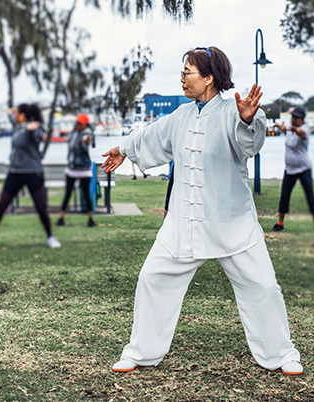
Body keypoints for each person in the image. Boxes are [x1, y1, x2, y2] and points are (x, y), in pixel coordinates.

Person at [102, 46, 303, 376]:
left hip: (232, 221)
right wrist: (123, 149)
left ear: (208, 78)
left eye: (187, 73)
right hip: (184, 222)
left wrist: (247, 119)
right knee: (152, 278)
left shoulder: (232, 111)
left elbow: (250, 144)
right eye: (182, 73)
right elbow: (152, 136)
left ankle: (282, 354)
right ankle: (140, 352)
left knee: (263, 286)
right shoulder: (181, 115)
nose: (182, 79)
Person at [0, 104, 61, 250]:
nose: (14, 115)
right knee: (2, 205)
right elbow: (12, 118)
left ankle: (50, 237)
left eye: (16, 112)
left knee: (41, 207)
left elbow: (37, 136)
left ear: (22, 115)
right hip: (15, 173)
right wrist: (9, 112)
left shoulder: (35, 127)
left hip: (33, 173)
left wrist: (31, 130)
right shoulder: (17, 126)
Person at [272, 107, 314, 232]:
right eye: (293, 117)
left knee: (309, 195)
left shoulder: (305, 129)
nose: (293, 119)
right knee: (284, 195)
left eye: (296, 118)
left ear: (301, 119)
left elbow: (302, 134)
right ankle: (280, 223)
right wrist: (279, 126)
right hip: (290, 169)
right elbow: (284, 128)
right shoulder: (289, 128)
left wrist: (296, 130)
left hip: (304, 168)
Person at [55, 113, 97, 227]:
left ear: (85, 125)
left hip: (83, 170)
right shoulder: (74, 133)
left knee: (86, 195)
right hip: (72, 169)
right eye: (77, 123)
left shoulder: (87, 134)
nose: (77, 125)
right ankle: (61, 218)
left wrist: (87, 141)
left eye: (80, 124)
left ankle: (90, 219)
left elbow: (86, 142)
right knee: (67, 194)